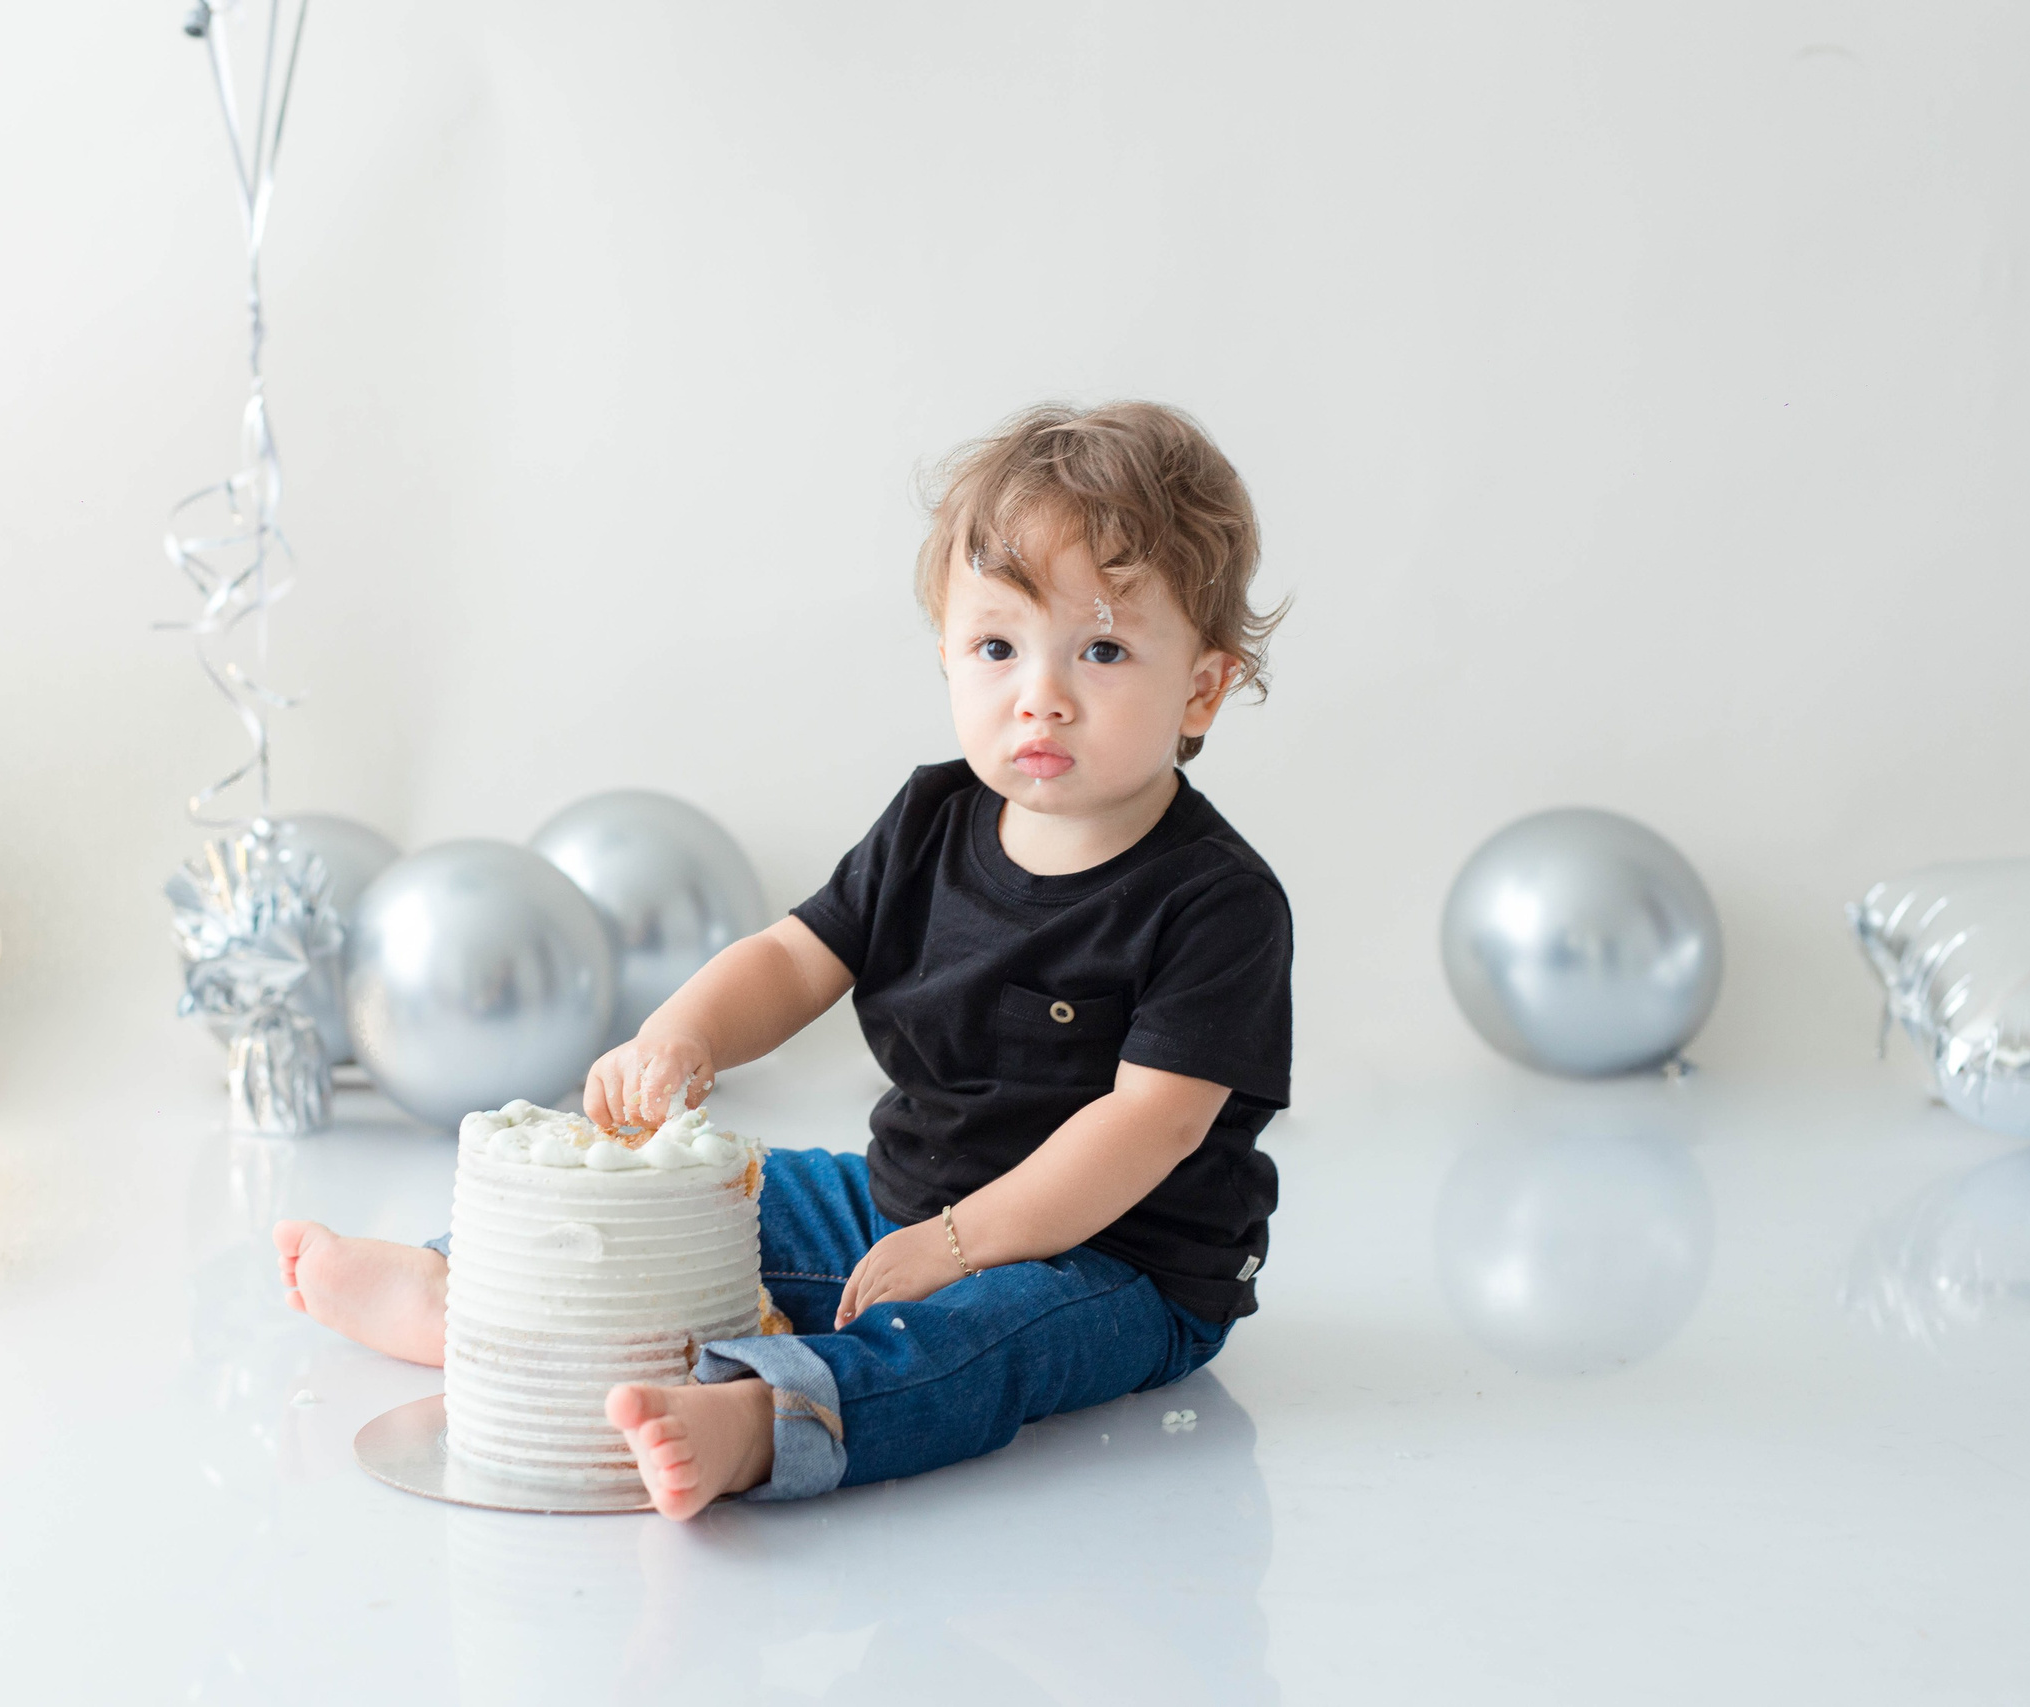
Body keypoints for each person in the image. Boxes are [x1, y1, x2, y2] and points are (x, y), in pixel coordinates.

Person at [276, 400, 1292, 1519]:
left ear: (1199, 686)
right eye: (997, 646)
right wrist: (684, 1033)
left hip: (1115, 1266)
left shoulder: (1214, 902)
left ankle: (767, 1422)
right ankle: (468, 1291)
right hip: (900, 1202)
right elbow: (794, 957)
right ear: (949, 651)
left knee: (973, 1342)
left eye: (1100, 649)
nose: (1036, 693)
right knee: (720, 1200)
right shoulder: (933, 819)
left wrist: (961, 1246)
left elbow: (1150, 1125)